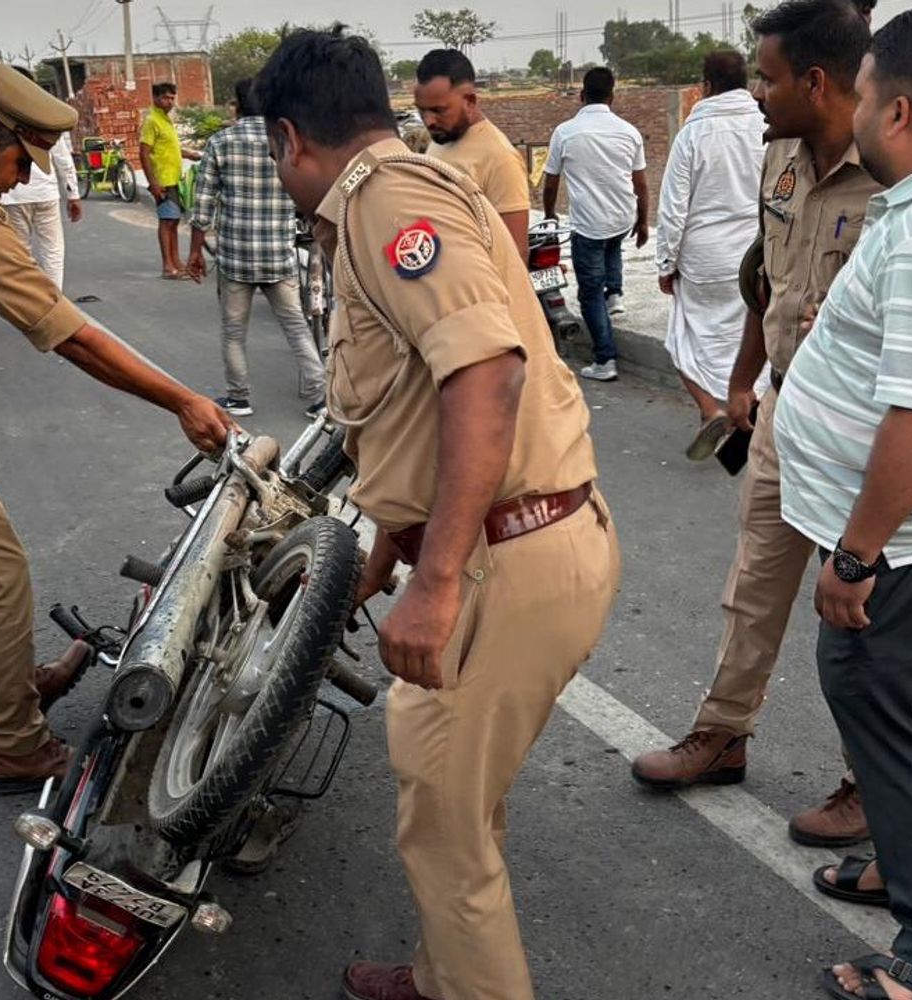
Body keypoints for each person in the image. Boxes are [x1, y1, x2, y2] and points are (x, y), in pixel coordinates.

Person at [255, 27, 619, 1000]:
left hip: (509, 558)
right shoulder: (403, 187)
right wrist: (384, 561)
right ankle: (441, 973)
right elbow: (417, 413)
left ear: (290, 137)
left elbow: (482, 372)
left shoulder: (386, 201)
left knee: (444, 828)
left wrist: (441, 578)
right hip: (532, 538)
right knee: (464, 798)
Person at [0, 51, 231, 794]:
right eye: (20, 160)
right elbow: (74, 337)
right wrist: (184, 400)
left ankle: (11, 690)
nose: (26, 180)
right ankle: (16, 746)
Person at [631, 0, 881, 851]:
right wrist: (743, 380)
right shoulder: (777, 157)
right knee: (753, 586)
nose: (756, 93)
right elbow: (764, 282)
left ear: (815, 80)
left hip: (864, 433)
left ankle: (868, 782)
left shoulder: (894, 174)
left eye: (768, 77)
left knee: (862, 617)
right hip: (783, 411)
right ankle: (723, 731)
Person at [774, 14, 912, 997]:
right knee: (892, 719)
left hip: (893, 555)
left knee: (881, 711)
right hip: (890, 546)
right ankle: (893, 866)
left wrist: (857, 554)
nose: (855, 111)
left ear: (898, 109)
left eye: (864, 96)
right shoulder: (903, 215)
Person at [185, 78, 326, 419]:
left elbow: (202, 207)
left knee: (234, 332)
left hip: (236, 258)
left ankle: (239, 397)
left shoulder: (221, 142)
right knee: (295, 326)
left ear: (237, 105)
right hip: (278, 255)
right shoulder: (285, 143)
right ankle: (320, 396)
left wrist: (194, 254)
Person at [656, 50, 767, 461]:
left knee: (684, 338)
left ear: (705, 86)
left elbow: (674, 207)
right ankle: (752, 409)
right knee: (749, 338)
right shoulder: (766, 123)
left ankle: (710, 409)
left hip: (703, 258)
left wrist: (666, 263)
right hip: (754, 253)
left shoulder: (692, 133)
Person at [543, 66, 648, 382]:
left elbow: (550, 182)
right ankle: (614, 293)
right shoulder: (629, 132)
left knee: (589, 294)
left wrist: (549, 213)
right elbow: (641, 184)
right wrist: (643, 222)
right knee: (613, 244)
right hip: (622, 215)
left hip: (588, 223)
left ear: (581, 95)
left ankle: (605, 360)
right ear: (612, 97)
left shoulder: (565, 133)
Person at [416, 48, 530, 260]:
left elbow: (515, 255)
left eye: (439, 110)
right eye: (422, 110)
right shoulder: (440, 139)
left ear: (470, 101)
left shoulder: (500, 158)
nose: (429, 120)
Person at [0, 65, 81, 290]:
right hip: (45, 192)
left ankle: (28, 306)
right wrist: (73, 194)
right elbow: (62, 157)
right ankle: (54, 304)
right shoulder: (47, 112)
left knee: (20, 253)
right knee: (52, 250)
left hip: (12, 195)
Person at [140, 81, 200, 279]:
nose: (169, 102)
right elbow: (145, 153)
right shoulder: (152, 121)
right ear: (156, 98)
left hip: (174, 178)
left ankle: (177, 262)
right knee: (167, 222)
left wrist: (191, 154)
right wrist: (153, 183)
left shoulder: (166, 120)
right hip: (162, 180)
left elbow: (169, 148)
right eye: (165, 97)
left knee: (173, 221)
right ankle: (168, 266)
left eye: (172, 98)